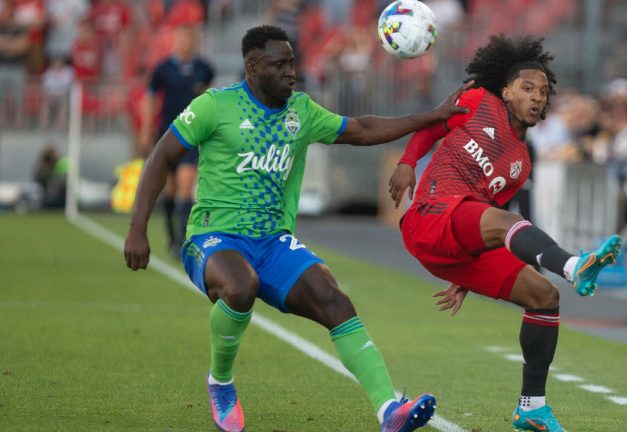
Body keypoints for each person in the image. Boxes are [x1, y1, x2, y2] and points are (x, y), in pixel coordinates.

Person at [124, 25, 471, 432]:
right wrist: (137, 230)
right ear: (252, 68)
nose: (291, 72)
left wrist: (432, 117)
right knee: (240, 287)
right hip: (212, 236)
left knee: (336, 302)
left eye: (292, 62)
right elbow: (161, 157)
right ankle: (220, 382)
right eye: (279, 64)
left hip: (272, 242)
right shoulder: (214, 107)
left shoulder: (300, 111)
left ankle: (388, 411)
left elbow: (360, 129)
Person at [388, 34, 623, 431]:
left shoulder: (521, 164)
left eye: (543, 92)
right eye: (527, 88)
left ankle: (531, 408)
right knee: (505, 225)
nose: (536, 98)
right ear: (507, 90)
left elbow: (493, 217)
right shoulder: (479, 101)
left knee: (543, 296)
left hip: (461, 236)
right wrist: (408, 162)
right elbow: (432, 126)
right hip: (430, 215)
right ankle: (573, 266)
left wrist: (465, 271)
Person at [139, 24, 215, 258]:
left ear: (196, 42)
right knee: (169, 191)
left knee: (185, 187)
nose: (186, 43)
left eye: (190, 39)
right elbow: (150, 99)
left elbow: (210, 101)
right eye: (181, 39)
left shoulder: (205, 69)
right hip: (167, 136)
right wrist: (146, 130)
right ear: (174, 41)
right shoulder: (162, 69)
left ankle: (183, 240)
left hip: (192, 138)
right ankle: (172, 237)